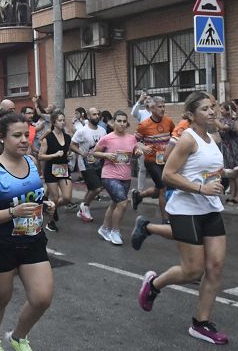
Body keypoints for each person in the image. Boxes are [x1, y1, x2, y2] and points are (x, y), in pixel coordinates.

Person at [131, 91, 238, 345]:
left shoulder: (211, 137)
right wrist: (200, 189)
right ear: (191, 114)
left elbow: (209, 172)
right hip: (186, 210)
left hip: (210, 208)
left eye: (213, 107)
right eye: (205, 109)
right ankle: (153, 285)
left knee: (215, 268)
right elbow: (169, 176)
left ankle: (201, 323)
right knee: (192, 270)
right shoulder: (187, 139)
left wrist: (231, 173)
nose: (212, 112)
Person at [0, 113, 56, 351]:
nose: (23, 141)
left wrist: (45, 206)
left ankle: (19, 337)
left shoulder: (32, 162)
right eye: (17, 136)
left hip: (32, 240)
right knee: (0, 299)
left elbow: (31, 198)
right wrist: (12, 213)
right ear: (2, 138)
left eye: (26, 135)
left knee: (42, 297)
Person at [91, 111, 143, 246]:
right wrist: (107, 156)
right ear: (113, 122)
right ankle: (115, 231)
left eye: (124, 121)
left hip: (125, 176)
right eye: (119, 121)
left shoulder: (132, 138)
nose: (122, 124)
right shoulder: (107, 138)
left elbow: (135, 154)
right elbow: (95, 153)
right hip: (109, 175)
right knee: (122, 203)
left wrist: (137, 153)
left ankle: (104, 228)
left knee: (115, 203)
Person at [132, 96, 174, 219]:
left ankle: (139, 196)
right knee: (163, 188)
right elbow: (134, 142)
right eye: (160, 107)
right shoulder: (144, 125)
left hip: (165, 160)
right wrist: (142, 148)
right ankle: (165, 219)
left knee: (159, 188)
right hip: (152, 161)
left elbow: (174, 136)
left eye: (163, 106)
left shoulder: (168, 121)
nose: (163, 109)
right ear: (152, 109)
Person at [37, 111, 72, 232]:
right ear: (53, 122)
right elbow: (41, 156)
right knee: (55, 197)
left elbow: (67, 152)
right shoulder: (48, 138)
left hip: (63, 168)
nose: (62, 122)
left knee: (67, 197)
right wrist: (54, 154)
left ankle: (49, 207)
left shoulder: (67, 137)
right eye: (60, 120)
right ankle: (50, 222)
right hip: (51, 169)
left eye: (63, 120)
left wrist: (69, 155)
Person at [70, 107, 106, 223]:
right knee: (96, 188)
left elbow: (105, 145)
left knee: (95, 188)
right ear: (88, 116)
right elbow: (72, 145)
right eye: (94, 114)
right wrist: (81, 153)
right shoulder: (82, 131)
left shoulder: (102, 130)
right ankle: (84, 206)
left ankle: (83, 208)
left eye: (98, 114)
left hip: (98, 162)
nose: (97, 116)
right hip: (85, 164)